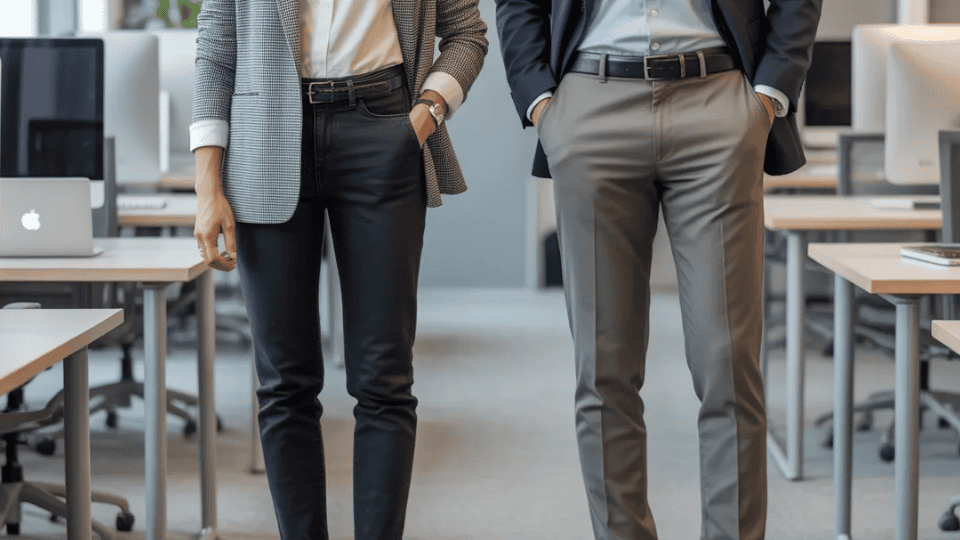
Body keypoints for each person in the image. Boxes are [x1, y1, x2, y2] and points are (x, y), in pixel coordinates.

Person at [495, 0, 821, 538]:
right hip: (589, 104)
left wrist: (769, 95)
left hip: (718, 101)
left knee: (728, 363)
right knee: (604, 366)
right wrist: (540, 104)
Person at [189, 0, 487, 536]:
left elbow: (467, 33)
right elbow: (216, 45)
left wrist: (427, 113)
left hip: (383, 128)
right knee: (283, 382)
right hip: (266, 137)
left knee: (384, 379)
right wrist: (207, 183)